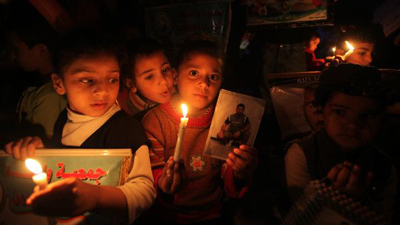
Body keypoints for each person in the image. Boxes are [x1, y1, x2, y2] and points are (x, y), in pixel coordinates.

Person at [4, 29, 156, 224]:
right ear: (59, 83)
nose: (102, 90)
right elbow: (64, 164)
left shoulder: (125, 129)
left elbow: (145, 192)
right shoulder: (62, 120)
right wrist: (41, 152)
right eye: (87, 80)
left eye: (112, 79)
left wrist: (96, 197)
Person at [141, 39, 258, 225]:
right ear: (175, 76)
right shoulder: (156, 122)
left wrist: (240, 171)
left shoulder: (224, 119)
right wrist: (164, 184)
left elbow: (227, 174)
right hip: (168, 216)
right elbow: (149, 178)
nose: (204, 84)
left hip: (213, 214)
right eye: (194, 73)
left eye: (213, 77)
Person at [285, 64, 397, 223]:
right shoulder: (302, 154)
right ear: (322, 110)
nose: (352, 125)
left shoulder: (385, 168)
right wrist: (336, 200)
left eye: (366, 116)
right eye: (340, 112)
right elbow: (298, 215)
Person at [5, 10, 67, 138]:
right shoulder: (39, 87)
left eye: (16, 49)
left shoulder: (51, 96)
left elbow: (43, 143)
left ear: (42, 50)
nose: (12, 55)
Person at [118, 38, 175, 119]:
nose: (163, 81)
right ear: (131, 84)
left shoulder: (180, 91)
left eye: (165, 70)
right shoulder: (125, 110)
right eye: (149, 77)